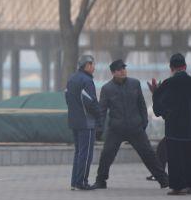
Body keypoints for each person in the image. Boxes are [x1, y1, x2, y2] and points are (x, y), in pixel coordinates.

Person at [92, 60, 168, 189]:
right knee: (107, 154)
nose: (123, 71)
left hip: (135, 128)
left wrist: (143, 122)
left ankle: (164, 180)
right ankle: (101, 181)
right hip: (116, 129)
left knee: (148, 154)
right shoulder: (107, 88)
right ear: (113, 72)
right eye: (119, 69)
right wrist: (98, 129)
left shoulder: (135, 84)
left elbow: (142, 105)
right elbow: (102, 110)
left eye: (124, 68)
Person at [149, 53, 191, 195]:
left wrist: (163, 111)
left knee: (175, 157)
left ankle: (178, 187)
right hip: (190, 126)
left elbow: (157, 106)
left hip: (173, 127)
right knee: (190, 155)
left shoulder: (167, 83)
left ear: (171, 68)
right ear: (185, 66)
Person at [65, 54, 101, 191]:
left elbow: (67, 98)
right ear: (86, 65)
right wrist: (99, 116)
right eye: (92, 65)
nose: (94, 67)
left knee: (79, 152)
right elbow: (91, 102)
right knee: (86, 154)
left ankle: (75, 182)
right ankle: (82, 182)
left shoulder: (71, 79)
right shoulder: (87, 81)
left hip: (74, 121)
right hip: (87, 122)